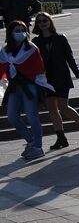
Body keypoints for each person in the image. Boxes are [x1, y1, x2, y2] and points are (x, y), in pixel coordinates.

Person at [31, 11, 79, 148]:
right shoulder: (35, 42)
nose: (42, 23)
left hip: (61, 77)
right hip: (45, 79)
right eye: (39, 21)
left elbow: (69, 58)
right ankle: (61, 138)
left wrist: (78, 74)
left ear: (50, 22)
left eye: (45, 21)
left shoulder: (60, 38)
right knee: (52, 109)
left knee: (62, 106)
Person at [1, 20, 50, 160]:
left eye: (22, 30)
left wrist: (21, 70)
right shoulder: (5, 51)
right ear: (10, 33)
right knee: (11, 116)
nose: (20, 33)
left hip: (29, 86)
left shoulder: (31, 48)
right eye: (16, 30)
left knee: (32, 117)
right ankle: (30, 141)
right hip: (14, 87)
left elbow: (39, 68)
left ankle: (38, 147)